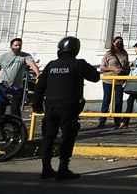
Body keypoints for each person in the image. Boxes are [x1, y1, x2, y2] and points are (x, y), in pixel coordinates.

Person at [35, 36, 101, 180]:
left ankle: (46, 168)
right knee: (68, 137)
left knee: (48, 137)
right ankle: (63, 168)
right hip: (69, 107)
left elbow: (40, 86)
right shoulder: (78, 64)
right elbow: (95, 76)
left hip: (51, 106)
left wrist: (37, 105)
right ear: (75, 49)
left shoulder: (51, 65)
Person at [0, 37, 41, 116]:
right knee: (0, 107)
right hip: (3, 86)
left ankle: (16, 125)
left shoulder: (25, 56)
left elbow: (32, 65)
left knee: (15, 109)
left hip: (17, 87)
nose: (18, 47)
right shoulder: (3, 57)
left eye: (20, 45)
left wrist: (38, 74)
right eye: (16, 45)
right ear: (11, 46)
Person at [97, 36, 129, 129]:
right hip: (108, 80)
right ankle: (102, 121)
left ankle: (117, 121)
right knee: (106, 100)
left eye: (121, 42)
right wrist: (113, 69)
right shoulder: (109, 53)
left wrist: (126, 78)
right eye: (118, 41)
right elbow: (102, 67)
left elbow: (127, 67)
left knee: (118, 101)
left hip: (120, 81)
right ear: (114, 42)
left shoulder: (124, 53)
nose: (120, 43)